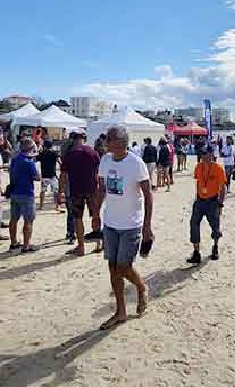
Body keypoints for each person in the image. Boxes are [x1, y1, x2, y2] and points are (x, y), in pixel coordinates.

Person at [96, 125, 153, 330]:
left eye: (108, 139)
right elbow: (102, 188)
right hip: (110, 223)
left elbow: (148, 194)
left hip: (131, 224)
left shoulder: (136, 164)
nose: (105, 142)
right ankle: (120, 311)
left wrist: (147, 227)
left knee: (123, 267)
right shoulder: (105, 160)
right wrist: (95, 214)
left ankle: (141, 286)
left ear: (120, 142)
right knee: (112, 268)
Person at [62, 131, 101, 255]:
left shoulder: (70, 153)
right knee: (95, 214)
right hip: (92, 189)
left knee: (78, 218)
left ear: (73, 140)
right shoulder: (92, 152)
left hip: (76, 190)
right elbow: (99, 171)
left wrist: (60, 191)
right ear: (84, 139)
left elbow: (63, 175)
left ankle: (81, 247)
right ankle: (98, 243)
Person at [188, 145, 227, 263]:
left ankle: (215, 247)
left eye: (205, 154)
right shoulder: (198, 167)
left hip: (213, 202)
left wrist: (220, 203)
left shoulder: (218, 168)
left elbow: (223, 187)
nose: (202, 156)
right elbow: (199, 183)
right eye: (201, 154)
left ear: (211, 154)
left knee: (215, 227)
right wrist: (197, 198)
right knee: (193, 224)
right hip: (200, 201)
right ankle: (196, 253)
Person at [8, 139, 42, 252]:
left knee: (14, 219)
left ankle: (13, 242)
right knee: (28, 220)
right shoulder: (29, 162)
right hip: (26, 193)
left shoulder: (15, 160)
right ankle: (26, 246)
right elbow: (37, 177)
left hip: (15, 192)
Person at [36, 140, 62, 211]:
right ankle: (57, 206)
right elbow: (60, 162)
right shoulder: (54, 153)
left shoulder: (42, 153)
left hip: (44, 176)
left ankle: (41, 206)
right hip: (52, 175)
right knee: (56, 192)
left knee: (43, 191)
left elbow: (35, 160)